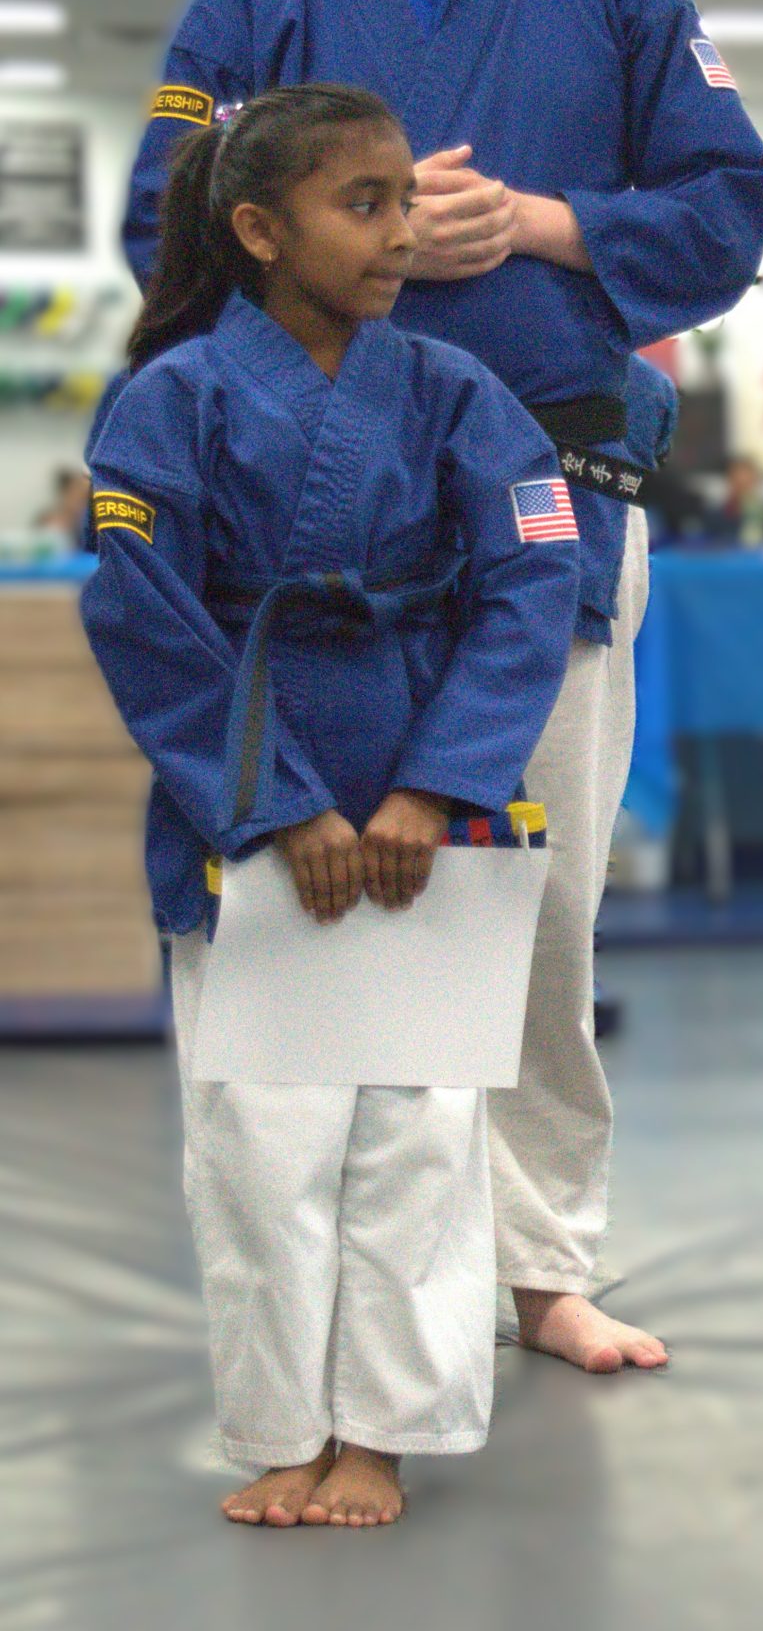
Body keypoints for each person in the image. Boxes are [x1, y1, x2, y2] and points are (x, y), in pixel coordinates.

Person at [122, 0, 763, 1377]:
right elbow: (160, 223)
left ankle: (541, 1261)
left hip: (549, 504)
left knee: (537, 903)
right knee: (322, 896)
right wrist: (368, 249)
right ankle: (328, 1286)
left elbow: (729, 202)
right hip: (305, 537)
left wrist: (546, 225)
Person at [82, 84, 580, 1526]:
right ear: (258, 229)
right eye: (364, 204)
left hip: (427, 803)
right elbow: (147, 619)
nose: (401, 232)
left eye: (405, 200)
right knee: (260, 1145)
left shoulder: (455, 392)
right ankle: (284, 1428)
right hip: (249, 808)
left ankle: (383, 1433)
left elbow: (535, 575)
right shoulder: (170, 399)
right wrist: (274, 805)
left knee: (420, 1144)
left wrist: (439, 783)